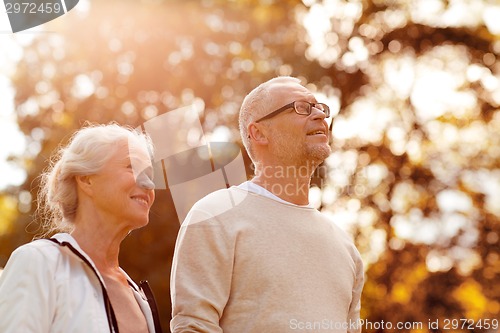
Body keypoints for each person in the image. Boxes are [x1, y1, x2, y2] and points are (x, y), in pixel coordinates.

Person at [170, 76, 364, 333]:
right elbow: (193, 326)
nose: (319, 115)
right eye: (301, 107)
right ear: (258, 132)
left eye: (320, 107)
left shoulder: (345, 246)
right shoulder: (214, 216)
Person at [0, 123, 162, 333]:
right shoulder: (38, 262)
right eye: (131, 166)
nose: (149, 184)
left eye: (149, 174)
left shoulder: (137, 295)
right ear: (86, 179)